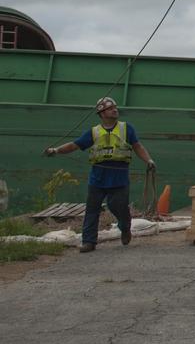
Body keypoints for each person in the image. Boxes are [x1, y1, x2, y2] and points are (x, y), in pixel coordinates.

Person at [44, 96, 155, 253]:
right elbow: (74, 145)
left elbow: (137, 146)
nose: (115, 110)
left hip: (119, 176)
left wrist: (148, 160)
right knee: (92, 209)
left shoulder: (126, 128)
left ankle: (125, 228)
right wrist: (55, 150)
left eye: (115, 107)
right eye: (110, 109)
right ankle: (89, 242)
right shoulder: (94, 132)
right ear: (102, 113)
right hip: (98, 176)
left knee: (119, 207)